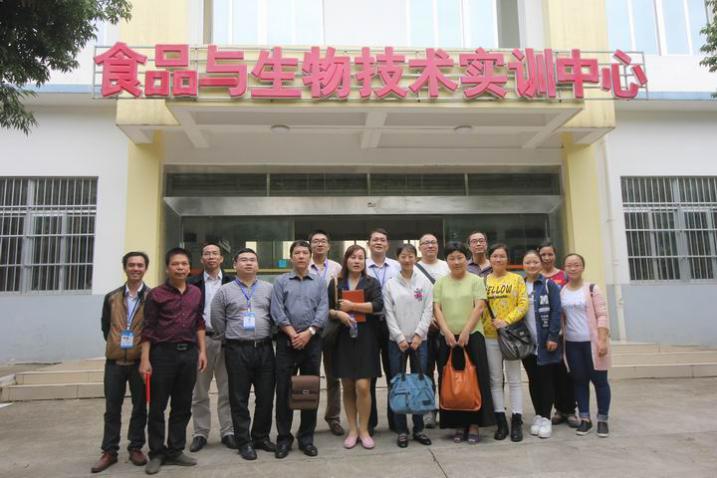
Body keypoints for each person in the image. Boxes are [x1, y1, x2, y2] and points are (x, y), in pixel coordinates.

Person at [139, 247, 208, 475]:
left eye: (184, 264)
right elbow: (148, 328)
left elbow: (199, 322)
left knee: (182, 405)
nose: (180, 268)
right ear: (167, 268)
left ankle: (176, 450)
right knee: (157, 407)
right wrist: (145, 360)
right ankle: (157, 453)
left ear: (190, 268)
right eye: (176, 264)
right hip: (162, 355)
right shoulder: (156, 294)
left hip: (188, 355)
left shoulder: (196, 293)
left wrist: (202, 351)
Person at [211, 248, 276, 460]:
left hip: (264, 348)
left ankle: (261, 437)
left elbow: (275, 315)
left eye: (252, 260)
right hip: (237, 350)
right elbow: (217, 319)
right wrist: (231, 337)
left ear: (257, 265)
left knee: (266, 396)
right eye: (244, 260)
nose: (248, 263)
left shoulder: (269, 289)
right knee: (238, 398)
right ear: (235, 265)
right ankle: (244, 441)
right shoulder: (225, 291)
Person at [91, 252, 150, 473]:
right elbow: (105, 326)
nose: (136, 268)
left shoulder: (152, 297)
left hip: (139, 362)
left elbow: (153, 328)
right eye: (131, 265)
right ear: (125, 268)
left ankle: (136, 447)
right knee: (112, 408)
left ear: (145, 268)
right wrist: (117, 344)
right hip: (114, 362)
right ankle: (109, 451)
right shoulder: (112, 297)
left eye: (140, 265)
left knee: (139, 407)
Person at [271, 240, 329, 459]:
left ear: (310, 256)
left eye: (305, 252)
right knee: (283, 390)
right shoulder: (281, 281)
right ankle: (284, 438)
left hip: (312, 342)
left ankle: (306, 438)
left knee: (308, 390)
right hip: (287, 342)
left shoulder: (319, 282)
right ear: (291, 257)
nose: (302, 256)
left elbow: (323, 310)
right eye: (297, 253)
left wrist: (308, 333)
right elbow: (277, 310)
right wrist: (293, 334)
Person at [433, 242, 494, 444]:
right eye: (451, 258)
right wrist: (446, 331)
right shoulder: (440, 283)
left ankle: (474, 424)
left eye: (460, 257)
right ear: (447, 261)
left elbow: (479, 307)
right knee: (451, 381)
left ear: (466, 260)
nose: (456, 261)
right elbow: (437, 308)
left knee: (475, 379)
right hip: (448, 339)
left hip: (473, 336)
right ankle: (457, 424)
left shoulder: (476, 280)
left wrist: (466, 331)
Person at [328, 245, 383, 450]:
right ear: (346, 260)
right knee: (348, 385)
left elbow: (377, 305)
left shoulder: (371, 282)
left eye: (361, 257)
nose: (357, 261)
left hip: (366, 337)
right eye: (353, 257)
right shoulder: (336, 282)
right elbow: (328, 309)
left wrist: (352, 307)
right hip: (343, 338)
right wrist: (339, 313)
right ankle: (352, 430)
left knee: (363, 386)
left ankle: (364, 430)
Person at [383, 244, 434, 448]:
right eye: (403, 256)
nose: (407, 260)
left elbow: (428, 310)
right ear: (398, 258)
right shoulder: (390, 284)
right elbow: (388, 313)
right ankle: (401, 430)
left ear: (416, 258)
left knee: (418, 384)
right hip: (397, 343)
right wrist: (399, 338)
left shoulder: (424, 282)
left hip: (420, 341)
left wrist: (419, 334)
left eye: (410, 256)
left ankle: (418, 428)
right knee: (399, 385)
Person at [188, 242, 236, 453]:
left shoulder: (232, 282)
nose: (211, 257)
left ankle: (228, 431)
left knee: (228, 390)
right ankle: (200, 433)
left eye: (215, 253)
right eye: (207, 253)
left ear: (222, 258)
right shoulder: (192, 283)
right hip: (202, 341)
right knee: (200, 391)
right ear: (201, 259)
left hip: (227, 341)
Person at [482, 243, 529, 442]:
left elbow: (523, 304)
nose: (498, 259)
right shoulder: (483, 281)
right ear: (489, 259)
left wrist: (506, 321)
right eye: (495, 256)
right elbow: (478, 307)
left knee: (515, 379)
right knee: (495, 380)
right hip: (490, 336)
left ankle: (516, 419)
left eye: (502, 256)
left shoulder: (516, 279)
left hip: (511, 336)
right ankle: (500, 420)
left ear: (507, 259)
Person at [562, 253, 612, 438]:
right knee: (579, 381)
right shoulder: (562, 291)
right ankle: (585, 418)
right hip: (572, 344)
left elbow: (602, 315)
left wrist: (602, 340)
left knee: (600, 381)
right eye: (569, 265)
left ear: (582, 267)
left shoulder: (592, 289)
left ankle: (602, 419)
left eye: (576, 265)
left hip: (592, 343)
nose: (573, 268)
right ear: (565, 268)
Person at [521, 250, 563, 439]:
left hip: (545, 341)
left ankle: (546, 418)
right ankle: (538, 415)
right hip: (526, 343)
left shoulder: (549, 285)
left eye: (535, 262)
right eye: (528, 262)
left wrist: (553, 337)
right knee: (533, 380)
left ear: (540, 264)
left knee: (546, 380)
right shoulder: (520, 285)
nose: (532, 265)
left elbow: (556, 311)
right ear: (523, 265)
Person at [538, 241, 579, 428]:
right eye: (543, 255)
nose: (547, 258)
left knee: (566, 373)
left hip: (565, 332)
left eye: (550, 254)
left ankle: (570, 410)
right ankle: (558, 410)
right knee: (551, 374)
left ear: (555, 255)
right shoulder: (536, 277)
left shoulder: (564, 276)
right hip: (543, 335)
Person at [308, 229, 344, 437]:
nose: (319, 244)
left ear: (329, 246)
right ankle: (309, 420)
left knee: (333, 376)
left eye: (323, 241)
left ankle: (333, 417)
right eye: (316, 241)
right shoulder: (304, 266)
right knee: (310, 377)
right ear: (310, 245)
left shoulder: (337, 268)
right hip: (308, 328)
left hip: (332, 328)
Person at [365, 228, 400, 434]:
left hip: (391, 324)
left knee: (393, 372)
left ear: (387, 245)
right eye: (375, 239)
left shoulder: (396, 266)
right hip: (368, 325)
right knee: (369, 374)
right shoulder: (361, 266)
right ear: (369, 244)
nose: (378, 242)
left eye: (382, 240)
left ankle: (396, 420)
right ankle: (369, 422)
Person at [416, 233, 450, 429]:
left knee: (446, 370)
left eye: (433, 243)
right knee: (425, 371)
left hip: (447, 327)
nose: (430, 246)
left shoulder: (446, 266)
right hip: (425, 329)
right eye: (426, 243)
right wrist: (427, 320)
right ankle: (428, 410)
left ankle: (447, 408)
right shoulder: (415, 269)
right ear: (420, 247)